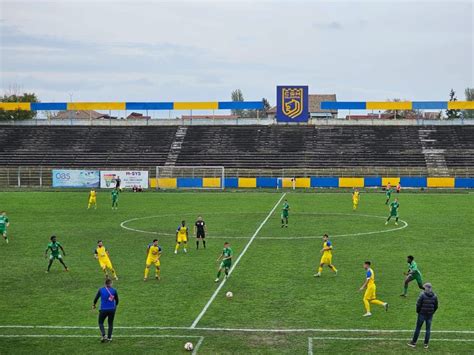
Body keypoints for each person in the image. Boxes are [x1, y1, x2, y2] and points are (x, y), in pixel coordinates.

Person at [407, 283, 439, 349]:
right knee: (428, 329)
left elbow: (418, 304)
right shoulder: (434, 296)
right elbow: (436, 306)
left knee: (418, 328)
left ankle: (413, 343)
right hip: (430, 315)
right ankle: (426, 344)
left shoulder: (422, 295)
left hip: (422, 314)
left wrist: (418, 311)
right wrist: (432, 312)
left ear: (426, 288)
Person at [93, 278, 119, 343]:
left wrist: (94, 305)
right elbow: (117, 300)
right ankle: (109, 338)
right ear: (110, 284)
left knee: (100, 322)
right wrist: (115, 307)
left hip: (103, 309)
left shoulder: (101, 290)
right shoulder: (114, 290)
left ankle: (104, 335)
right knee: (110, 323)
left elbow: (96, 298)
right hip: (112, 309)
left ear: (105, 284)